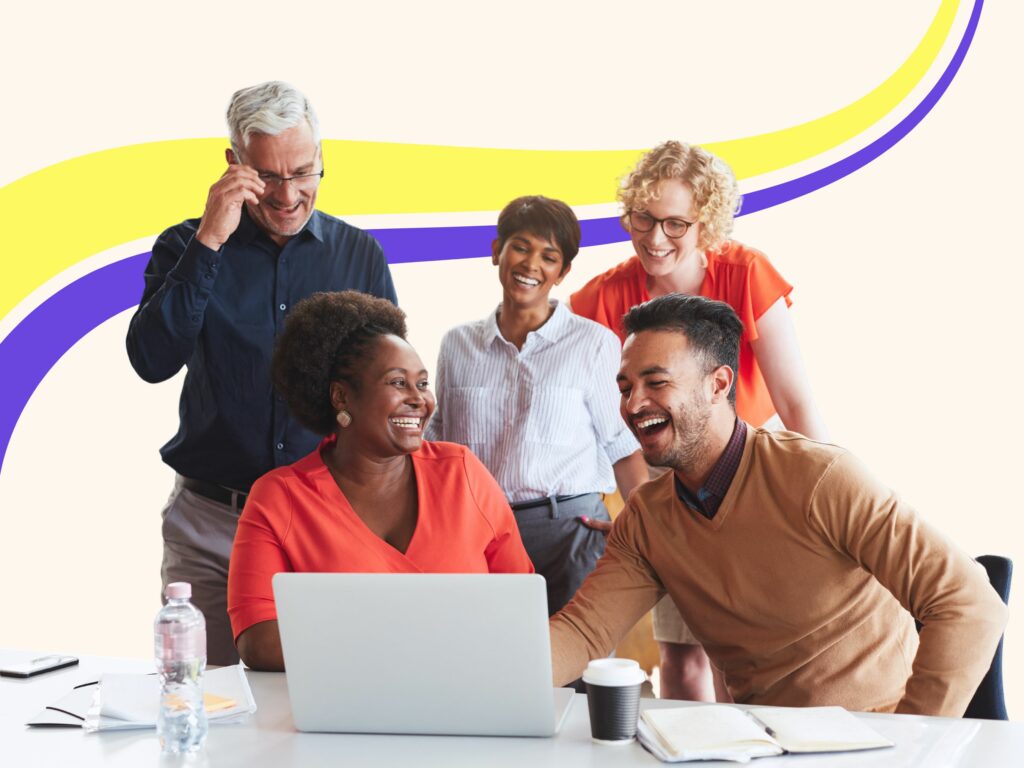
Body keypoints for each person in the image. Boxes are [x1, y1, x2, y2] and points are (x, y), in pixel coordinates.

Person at [550, 294, 1007, 716]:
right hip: (764, 743)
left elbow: (970, 604)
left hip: (877, 736)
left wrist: (914, 742)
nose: (633, 404)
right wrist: (489, 676)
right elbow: (583, 632)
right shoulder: (646, 520)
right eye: (625, 387)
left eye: (656, 382)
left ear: (718, 384)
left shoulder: (820, 478)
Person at [125, 82, 397, 666]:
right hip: (210, 528)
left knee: (324, 702)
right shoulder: (184, 246)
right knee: (207, 703)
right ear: (233, 165)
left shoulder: (358, 256)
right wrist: (210, 241)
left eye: (305, 172)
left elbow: (387, 395)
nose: (289, 194)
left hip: (322, 522)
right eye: (268, 177)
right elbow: (151, 361)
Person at [570, 140, 828, 700]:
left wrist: (822, 495)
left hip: (747, 469)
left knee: (737, 657)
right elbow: (597, 414)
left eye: (675, 223)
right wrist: (629, 503)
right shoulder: (601, 297)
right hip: (659, 477)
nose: (654, 238)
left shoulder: (747, 274)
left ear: (706, 221)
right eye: (643, 218)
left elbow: (796, 403)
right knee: (680, 658)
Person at [228, 292, 534, 671]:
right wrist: (427, 636)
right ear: (341, 397)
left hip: (465, 698)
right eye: (397, 382)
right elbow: (259, 640)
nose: (418, 399)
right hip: (339, 714)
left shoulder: (462, 472)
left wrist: (350, 632)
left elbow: (521, 605)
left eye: (422, 384)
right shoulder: (279, 497)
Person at [426, 196, 648, 618]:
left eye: (549, 257)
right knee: (485, 666)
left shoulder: (594, 344)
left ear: (562, 273)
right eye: (521, 247)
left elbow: (621, 446)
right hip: (479, 533)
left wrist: (641, 527)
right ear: (497, 252)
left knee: (578, 673)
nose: (531, 265)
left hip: (569, 532)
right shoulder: (457, 345)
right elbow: (437, 446)